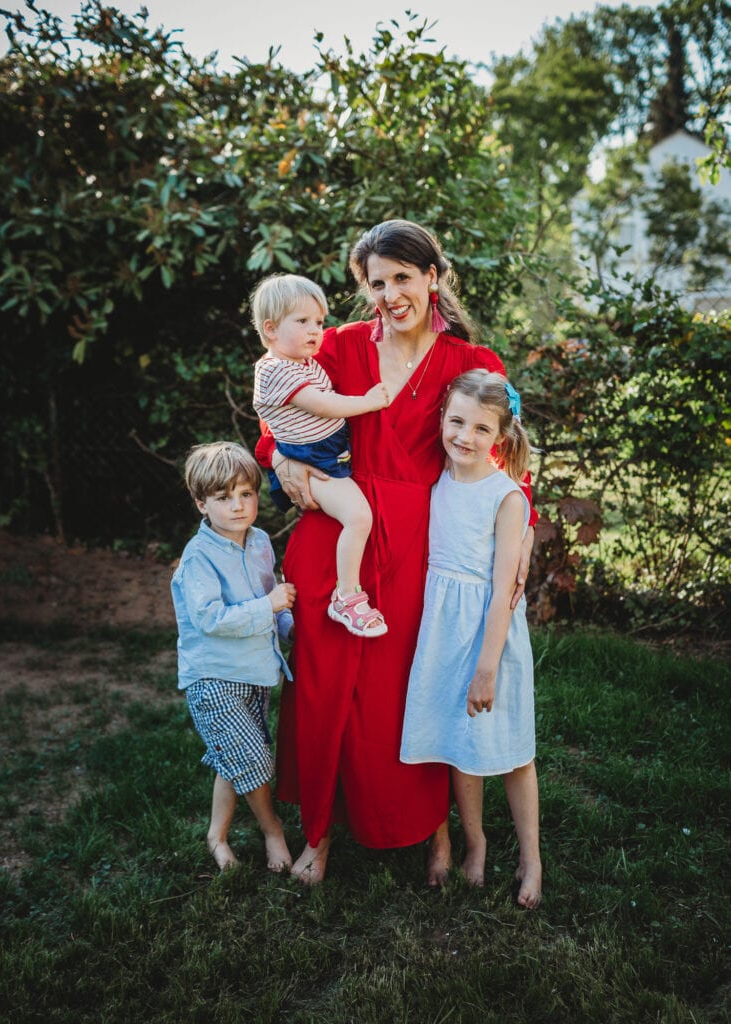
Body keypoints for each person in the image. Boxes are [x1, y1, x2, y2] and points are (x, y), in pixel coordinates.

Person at [255, 219, 538, 885]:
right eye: (375, 283)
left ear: (432, 277)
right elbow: (281, 418)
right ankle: (318, 833)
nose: (389, 294)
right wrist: (281, 465)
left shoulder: (473, 362)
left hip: (420, 543)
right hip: (338, 533)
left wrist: (520, 534)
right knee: (325, 690)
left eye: (402, 278)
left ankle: (432, 832)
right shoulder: (341, 347)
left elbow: (513, 457)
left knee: (402, 692)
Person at [400, 370, 542, 908]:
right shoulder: (436, 476)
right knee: (463, 745)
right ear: (441, 419)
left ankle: (531, 858)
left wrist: (487, 664)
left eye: (480, 428)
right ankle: (476, 844)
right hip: (443, 632)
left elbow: (504, 587)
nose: (464, 436)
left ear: (500, 438)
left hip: (491, 636)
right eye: (455, 421)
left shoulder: (505, 497)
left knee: (513, 750)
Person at [170, 441, 296, 873]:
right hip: (214, 678)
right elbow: (211, 619)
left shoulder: (260, 542)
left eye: (246, 494)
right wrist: (272, 606)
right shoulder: (198, 558)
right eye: (224, 498)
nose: (239, 506)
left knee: (235, 758)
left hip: (256, 672)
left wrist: (288, 625)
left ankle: (216, 836)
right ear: (201, 503)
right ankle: (273, 829)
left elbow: (268, 600)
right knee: (256, 761)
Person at [251, 273, 390, 638]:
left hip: (328, 453)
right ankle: (347, 596)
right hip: (314, 462)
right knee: (359, 517)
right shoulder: (274, 369)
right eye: (302, 322)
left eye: (319, 322)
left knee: (358, 517)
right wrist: (369, 402)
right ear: (271, 329)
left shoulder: (302, 361)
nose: (316, 330)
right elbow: (324, 405)